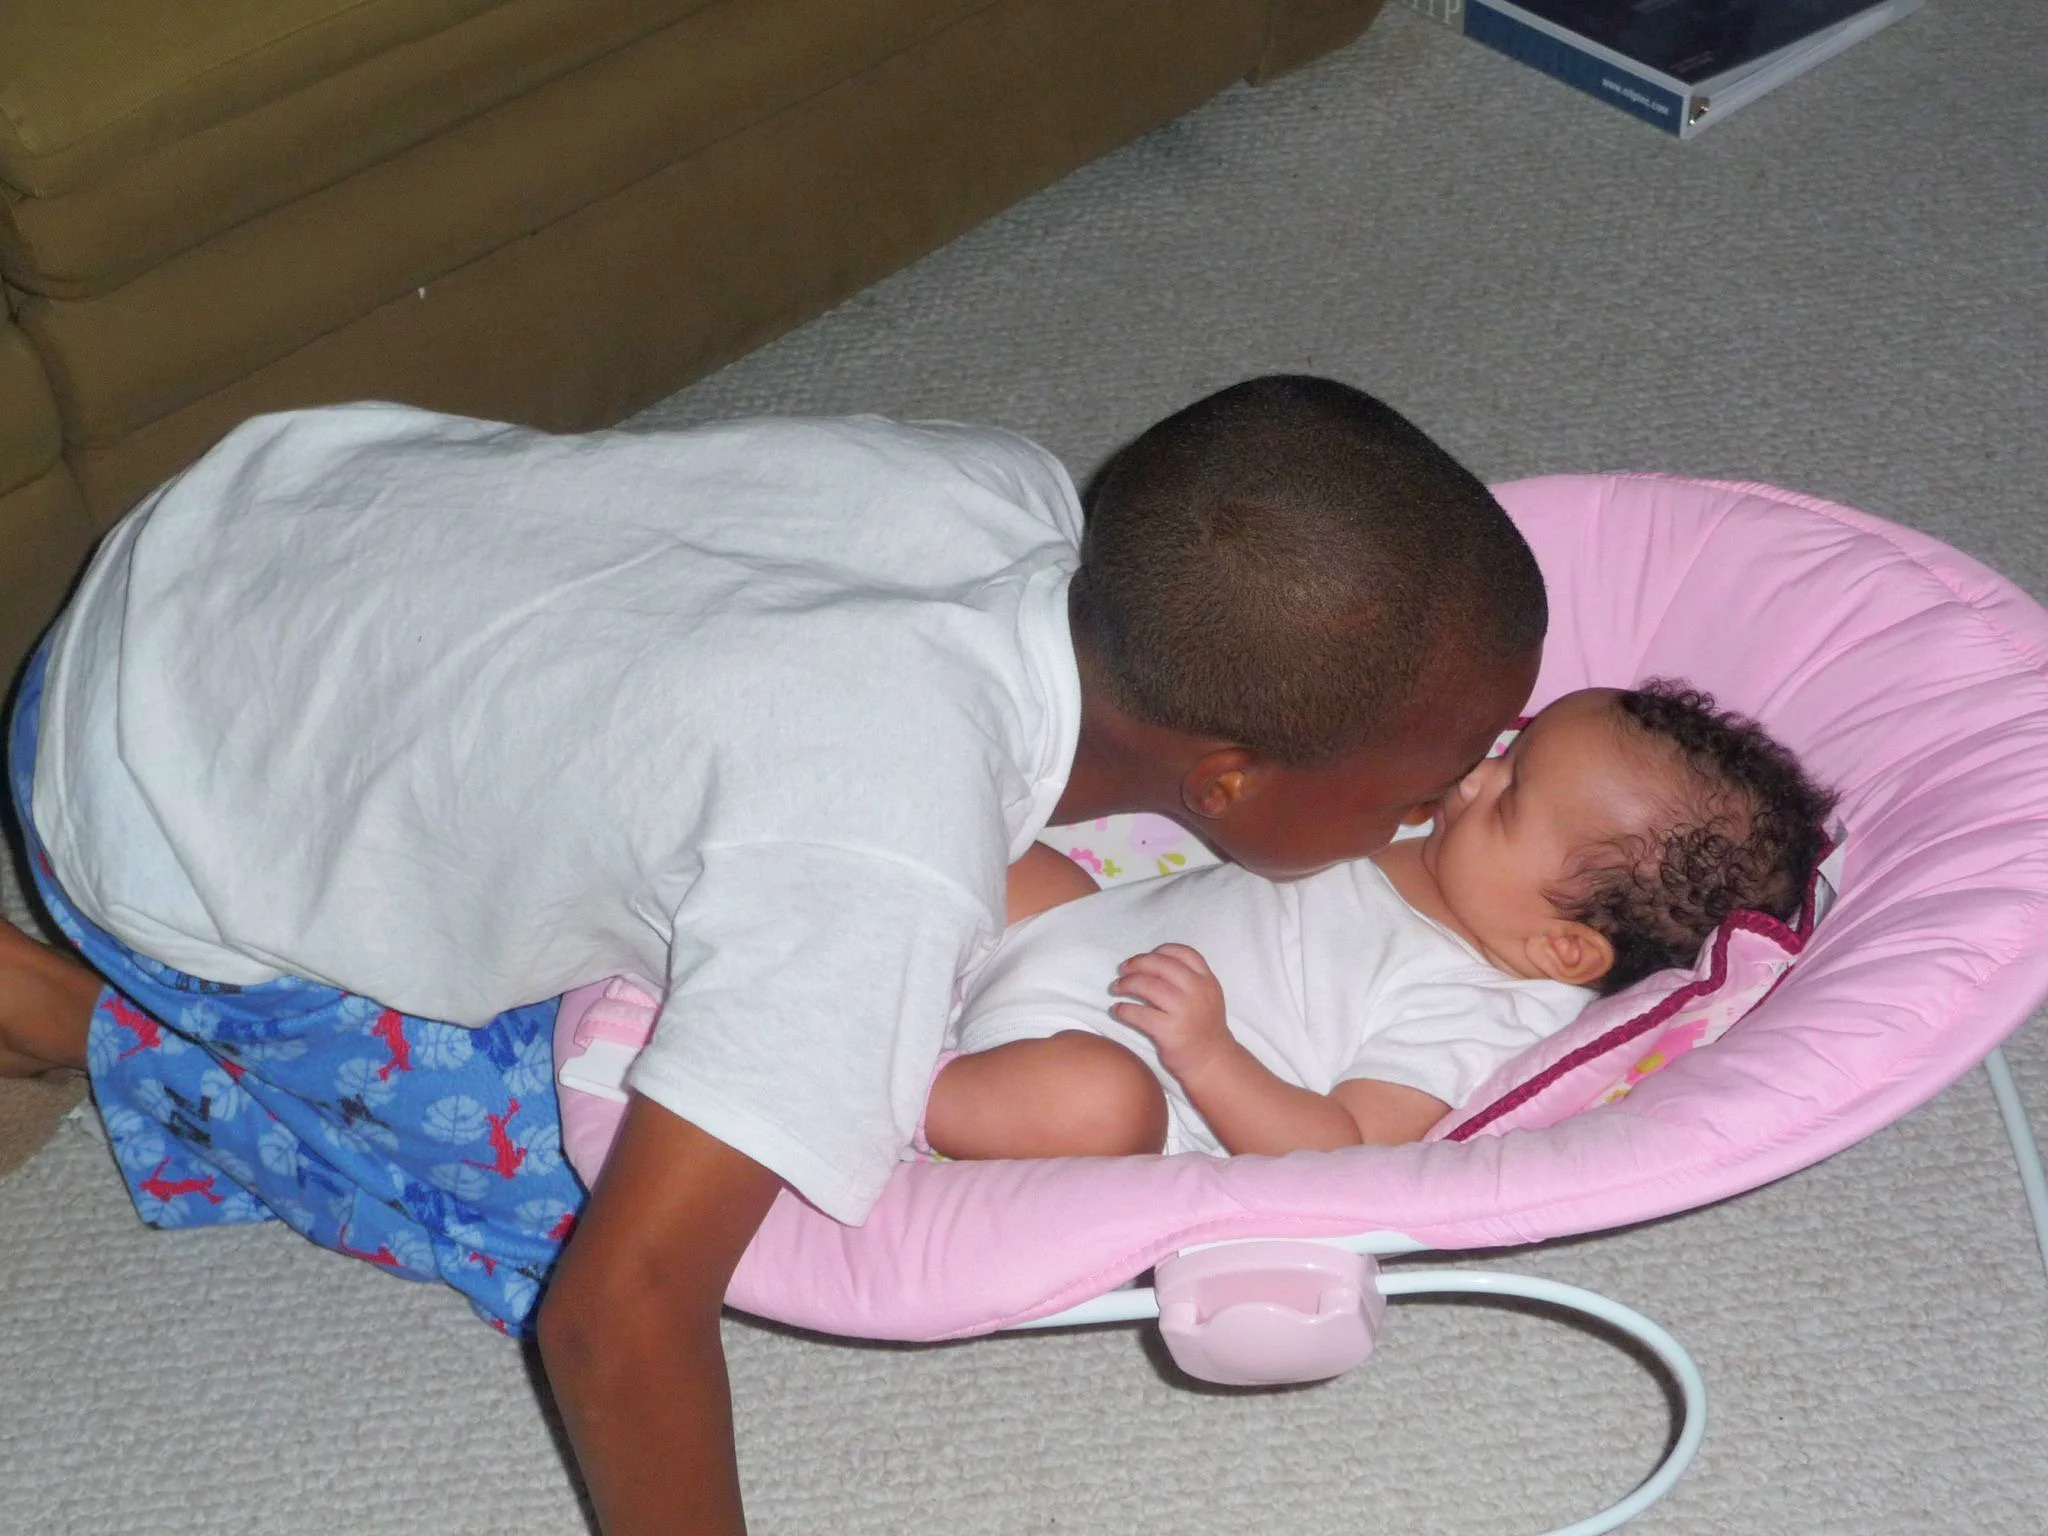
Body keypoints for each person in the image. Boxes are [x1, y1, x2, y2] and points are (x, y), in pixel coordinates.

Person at [0, 375, 1544, 1536]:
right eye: (1430, 783)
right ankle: (64, 1008)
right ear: (1226, 781)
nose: (1462, 794)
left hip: (240, 538)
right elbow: (617, 1316)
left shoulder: (1003, 496)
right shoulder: (876, 857)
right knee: (562, 1156)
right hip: (152, 806)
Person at [922, 682, 1839, 1160]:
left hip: (1131, 1076)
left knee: (1092, 1102)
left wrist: (1211, 1055)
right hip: (1068, 934)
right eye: (1508, 755)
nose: (1476, 775)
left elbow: (1344, 1149)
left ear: (1562, 945)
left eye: (1508, 798)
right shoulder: (1430, 836)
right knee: (974, 830)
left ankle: (892, 1094)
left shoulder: (1485, 1007)